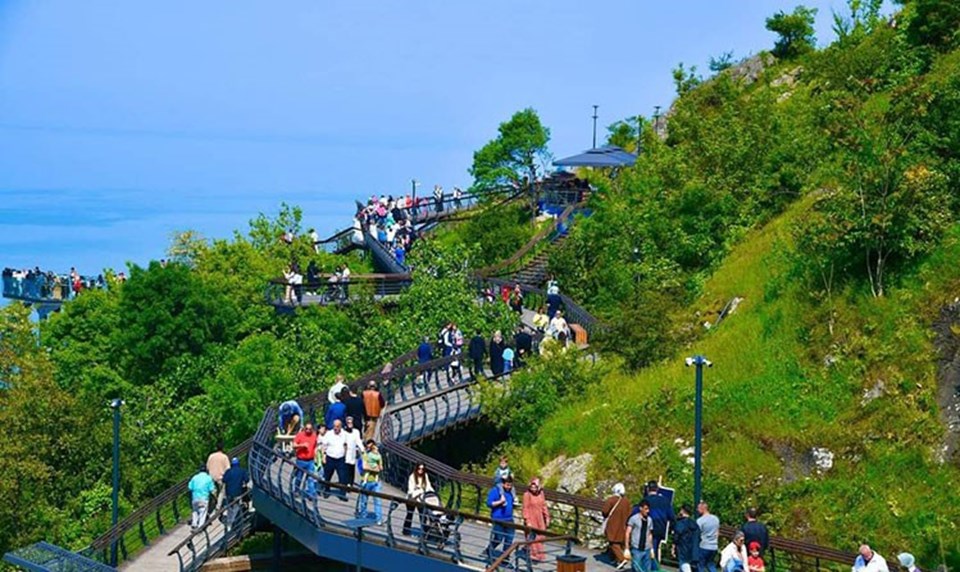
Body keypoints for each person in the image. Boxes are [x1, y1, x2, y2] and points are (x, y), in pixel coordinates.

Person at [483, 476, 515, 562]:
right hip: (498, 518)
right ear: (503, 484)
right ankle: (489, 549)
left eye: (510, 485)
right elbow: (489, 503)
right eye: (507, 485)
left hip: (509, 518)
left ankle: (505, 556)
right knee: (498, 538)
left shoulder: (511, 492)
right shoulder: (495, 491)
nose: (509, 487)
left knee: (509, 538)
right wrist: (500, 502)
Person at [643, 480, 676, 561]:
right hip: (661, 527)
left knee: (648, 548)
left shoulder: (645, 501)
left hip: (648, 527)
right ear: (657, 489)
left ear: (648, 489)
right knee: (655, 547)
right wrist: (672, 528)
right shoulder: (665, 501)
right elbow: (671, 516)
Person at [602, 483, 632, 569]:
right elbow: (630, 513)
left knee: (613, 543)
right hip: (623, 525)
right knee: (619, 542)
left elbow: (605, 511)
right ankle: (615, 559)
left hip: (613, 525)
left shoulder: (611, 500)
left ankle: (621, 559)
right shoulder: (626, 501)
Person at [319, 420, 349, 500]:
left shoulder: (344, 434)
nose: (335, 428)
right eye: (334, 426)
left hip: (340, 459)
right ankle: (326, 491)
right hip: (330, 458)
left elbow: (346, 445)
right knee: (327, 476)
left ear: (340, 426)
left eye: (337, 426)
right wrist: (323, 456)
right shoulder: (329, 434)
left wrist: (346, 456)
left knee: (343, 477)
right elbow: (324, 446)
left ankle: (342, 494)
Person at [522, 477, 550, 562]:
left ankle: (540, 554)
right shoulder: (527, 495)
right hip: (531, 517)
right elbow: (525, 508)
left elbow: (544, 506)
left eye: (535, 486)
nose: (533, 488)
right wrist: (527, 520)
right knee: (532, 537)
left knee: (541, 536)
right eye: (532, 486)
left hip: (540, 518)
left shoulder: (541, 493)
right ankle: (533, 555)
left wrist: (547, 517)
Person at [403, 463, 434, 536]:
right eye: (419, 469)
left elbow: (428, 486)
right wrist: (420, 491)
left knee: (423, 515)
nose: (421, 470)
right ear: (416, 469)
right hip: (412, 499)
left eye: (422, 469)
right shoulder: (412, 476)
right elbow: (411, 490)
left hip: (421, 499)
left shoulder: (425, 476)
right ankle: (406, 530)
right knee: (410, 514)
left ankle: (424, 532)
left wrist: (432, 493)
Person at [357, 440, 384, 524]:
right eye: (368, 447)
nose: (369, 448)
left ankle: (379, 518)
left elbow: (381, 468)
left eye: (371, 447)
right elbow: (364, 467)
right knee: (363, 501)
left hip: (376, 482)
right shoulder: (365, 455)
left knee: (377, 501)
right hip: (366, 480)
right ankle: (363, 516)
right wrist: (375, 468)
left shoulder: (378, 456)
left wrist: (373, 468)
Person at [624, 500, 655, 572]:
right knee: (636, 569)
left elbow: (650, 534)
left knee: (647, 569)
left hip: (646, 548)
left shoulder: (650, 520)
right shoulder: (634, 519)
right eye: (646, 509)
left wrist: (651, 548)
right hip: (636, 549)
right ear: (641, 508)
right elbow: (627, 532)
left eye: (648, 509)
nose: (648, 511)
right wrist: (627, 548)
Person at [221, 458, 250, 531]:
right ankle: (233, 522)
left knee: (230, 508)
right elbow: (247, 479)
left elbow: (224, 480)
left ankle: (229, 523)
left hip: (228, 493)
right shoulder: (242, 471)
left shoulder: (228, 471)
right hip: (238, 493)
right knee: (236, 507)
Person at [292, 423, 319, 500]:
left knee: (310, 478)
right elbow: (294, 445)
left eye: (309, 429)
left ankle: (311, 494)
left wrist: (316, 456)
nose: (308, 430)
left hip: (310, 460)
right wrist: (302, 445)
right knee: (299, 477)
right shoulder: (300, 435)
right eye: (306, 429)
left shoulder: (314, 436)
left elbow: (315, 446)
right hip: (301, 460)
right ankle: (296, 490)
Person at [673, 504, 700, 572]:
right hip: (693, 549)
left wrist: (673, 547)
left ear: (682, 511)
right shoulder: (695, 524)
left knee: (684, 565)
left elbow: (677, 536)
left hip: (683, 548)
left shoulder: (681, 523)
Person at [188, 466, 215, 531]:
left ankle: (194, 524)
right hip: (204, 497)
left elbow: (190, 487)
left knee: (195, 511)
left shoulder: (194, 477)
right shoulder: (209, 478)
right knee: (203, 512)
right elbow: (212, 489)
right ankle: (200, 526)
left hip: (195, 497)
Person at [206, 442, 231, 509]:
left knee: (212, 491)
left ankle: (211, 505)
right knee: (221, 492)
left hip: (211, 477)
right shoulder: (224, 457)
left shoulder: (211, 456)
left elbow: (207, 467)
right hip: (220, 477)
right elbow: (228, 469)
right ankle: (218, 506)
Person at [698, 501, 720, 572]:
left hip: (704, 545)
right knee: (710, 564)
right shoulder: (716, 518)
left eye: (698, 508)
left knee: (701, 565)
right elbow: (717, 532)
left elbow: (697, 534)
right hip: (714, 546)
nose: (697, 510)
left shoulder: (700, 521)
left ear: (703, 509)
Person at [343, 416, 365, 484]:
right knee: (345, 469)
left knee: (352, 469)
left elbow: (358, 441)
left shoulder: (356, 432)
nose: (350, 424)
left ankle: (350, 483)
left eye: (351, 423)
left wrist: (362, 449)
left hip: (352, 453)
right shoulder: (343, 432)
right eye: (348, 423)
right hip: (345, 454)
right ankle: (346, 483)